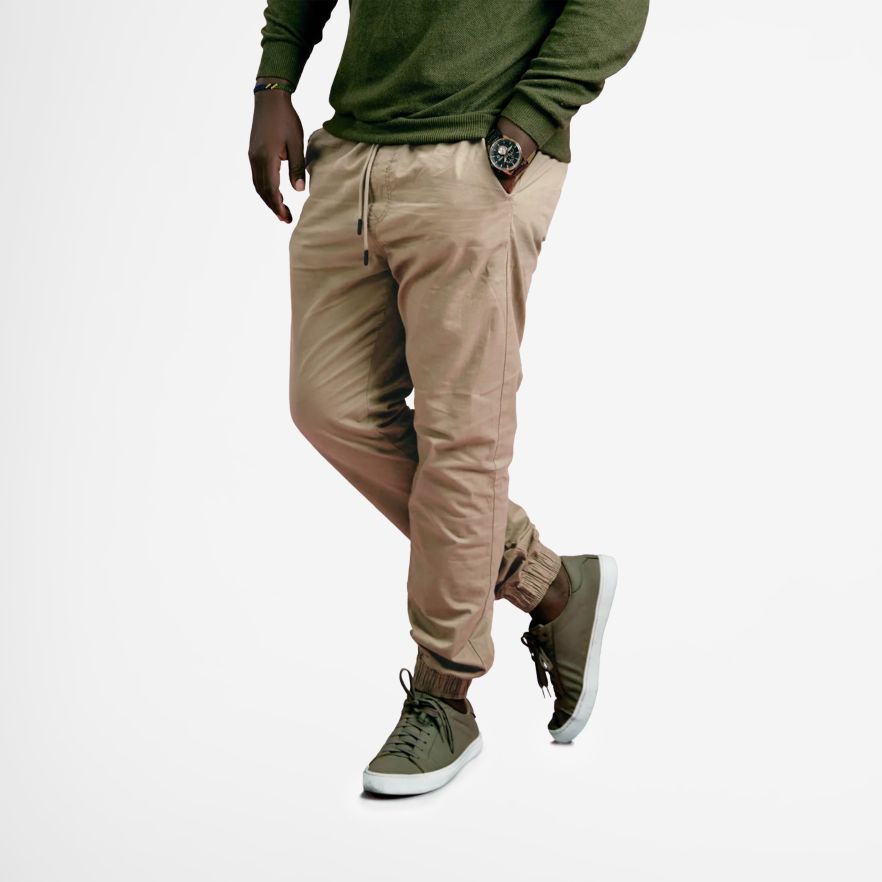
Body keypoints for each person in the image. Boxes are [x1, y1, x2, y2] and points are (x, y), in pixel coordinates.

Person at [248, 0, 649, 796]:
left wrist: (524, 127)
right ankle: (550, 584)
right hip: (353, 151)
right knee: (327, 406)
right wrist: (274, 82)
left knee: (462, 435)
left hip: (479, 152)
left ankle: (445, 699)